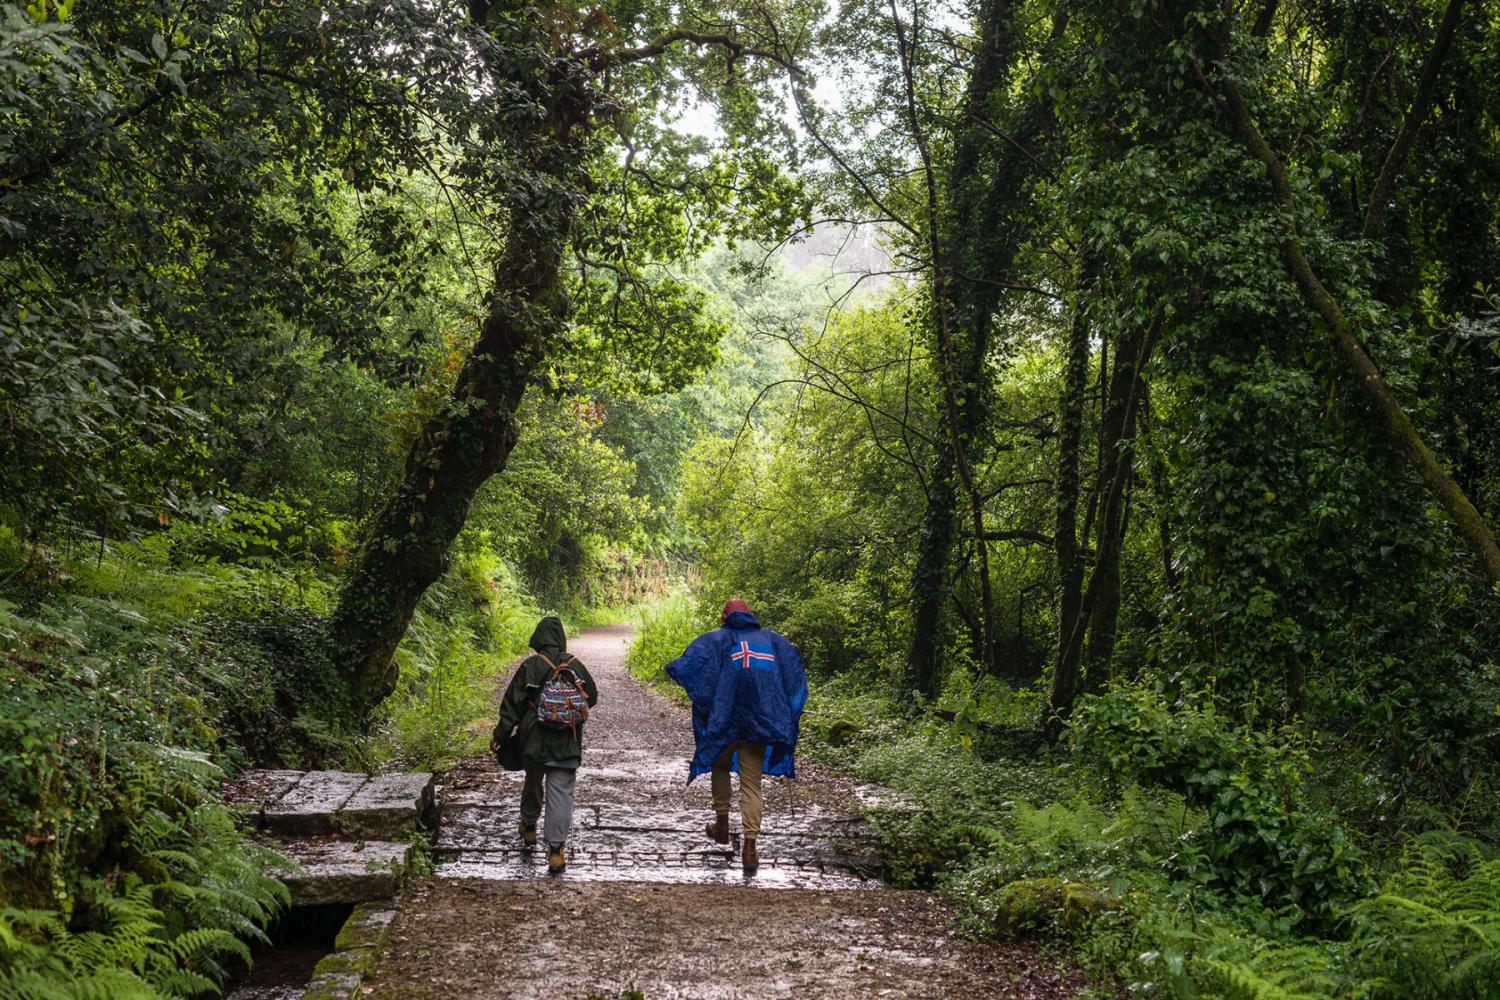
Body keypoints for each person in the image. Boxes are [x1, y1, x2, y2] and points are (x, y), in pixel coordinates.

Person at [665, 599, 807, 875]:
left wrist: (708, 708)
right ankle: (750, 849)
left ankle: (722, 825)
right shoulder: (772, 641)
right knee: (752, 784)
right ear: (749, 615)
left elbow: (693, 669)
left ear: (724, 617)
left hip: (726, 723)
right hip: (759, 725)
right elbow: (791, 675)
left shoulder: (716, 640)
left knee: (720, 766)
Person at [491, 616, 599, 875]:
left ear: (538, 638)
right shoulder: (575, 665)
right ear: (561, 639)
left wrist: (500, 735)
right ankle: (556, 852)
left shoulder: (530, 666)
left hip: (533, 740)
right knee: (560, 792)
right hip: (567, 741)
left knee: (533, 781)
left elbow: (511, 705)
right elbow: (592, 698)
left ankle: (529, 826)